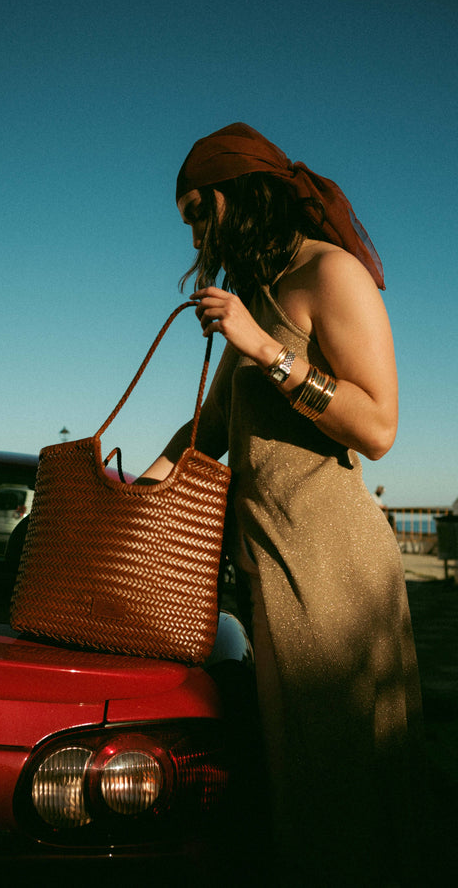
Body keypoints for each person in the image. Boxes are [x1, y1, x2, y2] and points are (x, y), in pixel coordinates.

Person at [140, 123, 424, 886]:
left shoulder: (333, 276)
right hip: (266, 567)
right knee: (290, 783)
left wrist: (268, 351)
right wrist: (135, 498)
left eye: (200, 209)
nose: (197, 232)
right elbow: (209, 429)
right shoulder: (258, 292)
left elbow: (380, 427)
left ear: (239, 194)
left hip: (332, 569)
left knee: (336, 787)